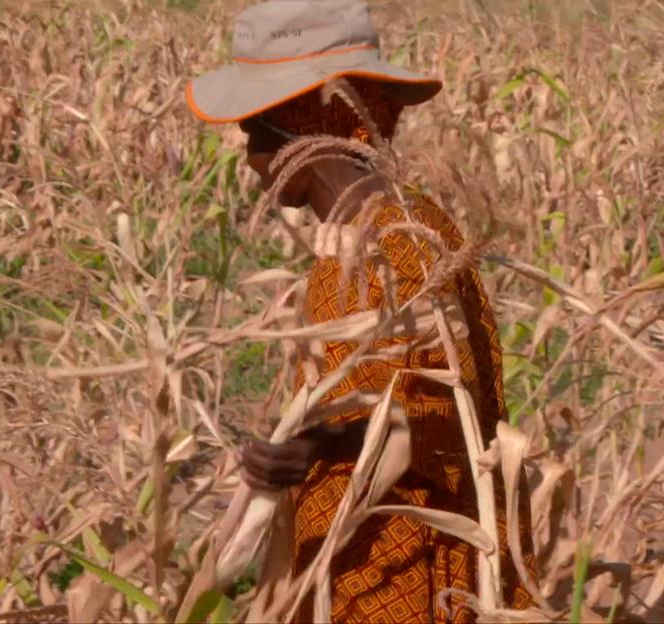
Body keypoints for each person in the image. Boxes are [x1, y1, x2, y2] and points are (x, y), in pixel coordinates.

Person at [186, 1, 537, 622]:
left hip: (402, 566)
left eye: (256, 135)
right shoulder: (376, 225)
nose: (249, 160)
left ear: (304, 123)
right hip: (358, 549)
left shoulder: (393, 242)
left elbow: (441, 410)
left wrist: (316, 444)